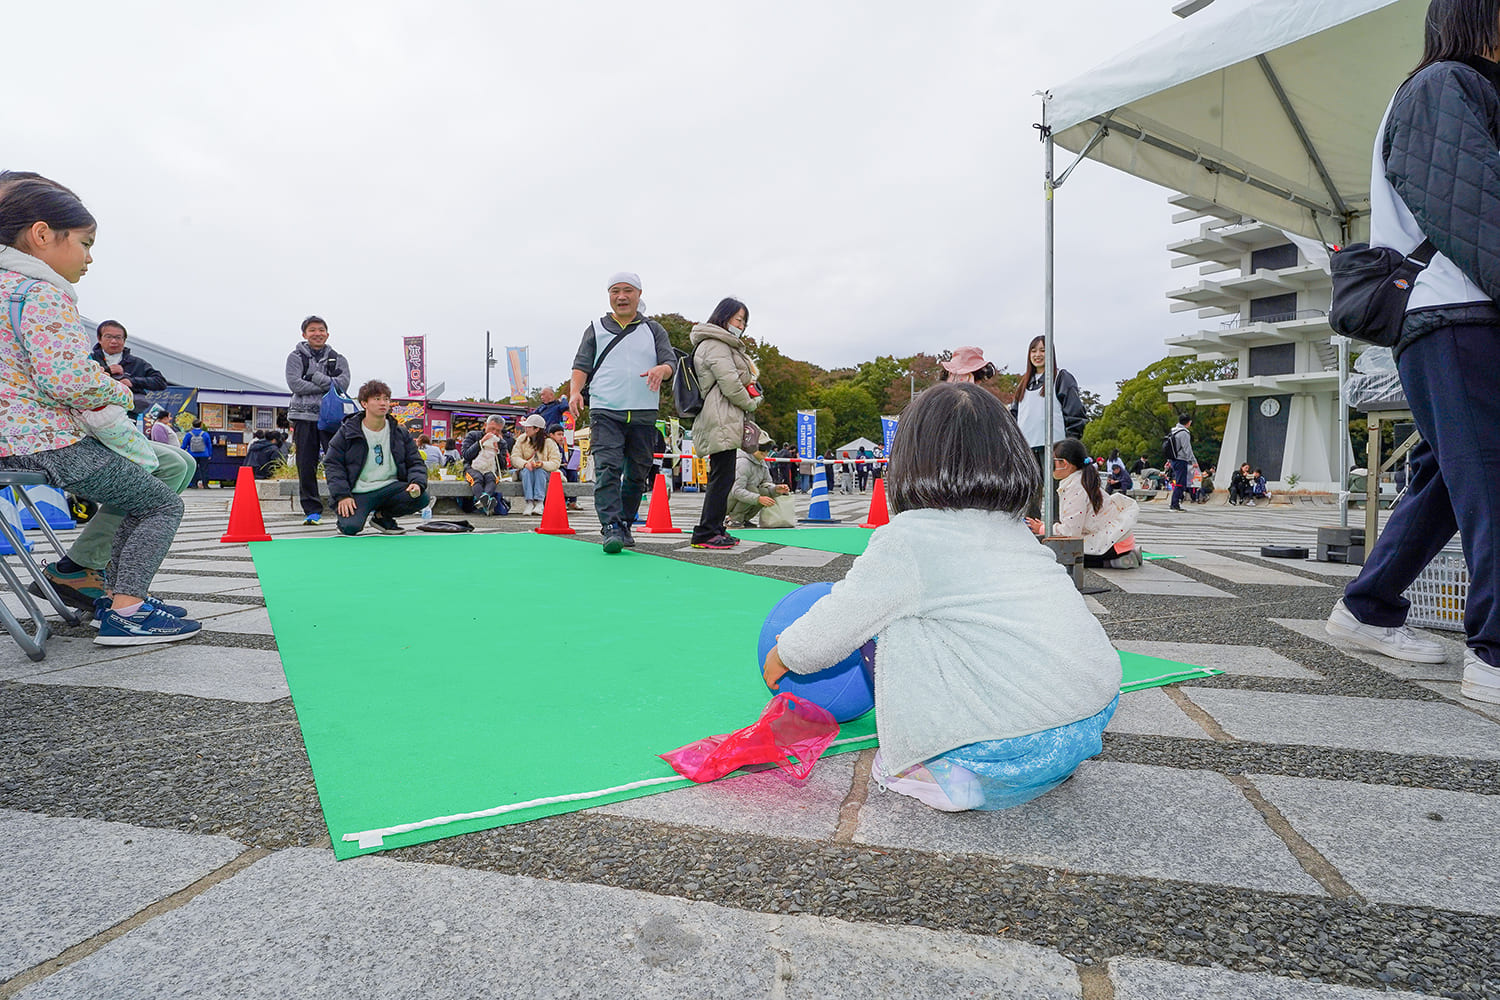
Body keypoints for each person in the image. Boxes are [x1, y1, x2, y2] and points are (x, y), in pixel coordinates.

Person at [762, 382, 1120, 812]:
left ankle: (948, 777)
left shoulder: (908, 540)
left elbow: (838, 622)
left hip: (1005, 743)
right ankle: (1043, 767)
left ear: (909, 462)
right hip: (1090, 715)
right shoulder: (1015, 530)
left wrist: (786, 654)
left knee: (891, 623)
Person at [1324, 0, 1500, 702]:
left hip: (1456, 314)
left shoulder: (1455, 87)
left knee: (1448, 478)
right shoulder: (1442, 86)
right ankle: (1494, 656)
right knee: (1487, 478)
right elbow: (1478, 216)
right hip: (1459, 312)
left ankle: (1368, 606)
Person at [0, 173, 200, 644]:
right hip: (47, 441)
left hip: (16, 440)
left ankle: (101, 585)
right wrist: (121, 393)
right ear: (43, 235)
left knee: (159, 474)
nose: (89, 258)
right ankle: (127, 610)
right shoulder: (40, 293)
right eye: (85, 243)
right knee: (160, 505)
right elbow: (66, 378)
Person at [567, 272, 676, 554]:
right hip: (605, 411)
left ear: (639, 295)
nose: (622, 296)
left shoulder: (654, 330)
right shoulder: (595, 328)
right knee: (607, 470)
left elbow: (669, 362)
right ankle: (611, 527)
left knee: (638, 473)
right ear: (609, 296)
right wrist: (575, 392)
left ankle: (625, 522)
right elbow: (581, 366)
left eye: (628, 291)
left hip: (643, 413)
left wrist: (661, 371)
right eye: (615, 291)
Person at [687, 297, 760, 549]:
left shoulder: (721, 344)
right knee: (721, 475)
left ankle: (715, 528)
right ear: (723, 316)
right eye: (738, 319)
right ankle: (706, 531)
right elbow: (729, 382)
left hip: (723, 415)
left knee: (724, 474)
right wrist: (751, 402)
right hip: (720, 414)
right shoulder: (715, 344)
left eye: (744, 321)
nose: (741, 325)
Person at [324, 380, 429, 536]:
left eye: (386, 399)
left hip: (390, 486)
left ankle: (382, 517)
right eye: (377, 399)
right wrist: (343, 495)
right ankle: (350, 517)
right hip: (359, 491)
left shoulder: (400, 432)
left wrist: (417, 483)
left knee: (421, 497)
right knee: (350, 527)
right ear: (364, 403)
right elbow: (333, 464)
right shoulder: (347, 432)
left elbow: (415, 462)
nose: (383, 403)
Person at [1027, 438, 1141, 569]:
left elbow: (1071, 532)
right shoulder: (1080, 479)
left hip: (1112, 544)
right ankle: (1127, 555)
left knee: (1055, 555)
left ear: (1064, 463)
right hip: (1119, 540)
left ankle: (1119, 561)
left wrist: (1043, 529)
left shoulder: (1076, 487)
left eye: (1051, 463)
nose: (1048, 467)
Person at [1010, 336, 1088, 516]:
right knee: (1029, 493)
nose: (1038, 355)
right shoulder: (1024, 382)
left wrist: (1070, 444)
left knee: (1056, 493)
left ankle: (1057, 529)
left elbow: (1075, 412)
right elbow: (1014, 416)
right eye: (1034, 350)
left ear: (1051, 353)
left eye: (1043, 350)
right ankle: (1031, 529)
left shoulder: (1061, 378)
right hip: (1027, 447)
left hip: (1054, 447)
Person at [285, 315, 351, 525]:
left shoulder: (337, 358)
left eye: (321, 330)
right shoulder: (295, 357)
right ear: (304, 334)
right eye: (312, 330)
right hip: (303, 418)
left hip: (331, 418)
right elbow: (295, 385)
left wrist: (314, 377)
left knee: (338, 463)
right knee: (306, 464)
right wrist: (327, 383)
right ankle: (312, 510)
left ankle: (342, 503)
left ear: (327, 333)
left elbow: (343, 385)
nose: (317, 333)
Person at [89, 319, 166, 416]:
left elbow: (160, 382)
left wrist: (132, 381)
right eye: (108, 337)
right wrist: (107, 371)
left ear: (124, 340)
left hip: (126, 419)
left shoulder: (137, 363)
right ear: (99, 339)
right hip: (92, 416)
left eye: (118, 337)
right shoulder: (89, 360)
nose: (113, 341)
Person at [728, 430, 790, 527]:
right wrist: (758, 498)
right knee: (753, 490)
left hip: (738, 498)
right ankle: (734, 519)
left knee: (766, 493)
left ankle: (744, 518)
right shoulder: (743, 463)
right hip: (726, 501)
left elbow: (767, 483)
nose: (765, 452)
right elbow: (737, 491)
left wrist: (776, 489)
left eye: (768, 448)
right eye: (762, 448)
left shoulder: (762, 463)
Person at [510, 413, 562, 515]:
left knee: (539, 471)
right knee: (527, 471)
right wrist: (525, 464)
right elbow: (515, 457)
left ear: (537, 429)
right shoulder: (521, 439)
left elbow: (556, 462)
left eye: (528, 427)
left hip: (544, 472)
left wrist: (542, 464)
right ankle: (529, 502)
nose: (526, 429)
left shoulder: (549, 442)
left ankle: (539, 502)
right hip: (526, 470)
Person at [461, 415, 507, 515]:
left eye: (498, 431)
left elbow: (503, 465)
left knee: (491, 478)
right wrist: (480, 442)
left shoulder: (501, 442)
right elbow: (466, 455)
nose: (494, 432)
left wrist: (497, 451)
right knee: (477, 478)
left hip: (491, 469)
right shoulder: (473, 435)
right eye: (492, 429)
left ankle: (484, 499)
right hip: (471, 468)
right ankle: (486, 503)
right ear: (485, 425)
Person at [1164, 415, 1196, 512]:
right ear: (1188, 422)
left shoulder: (1174, 431)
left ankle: (1175, 502)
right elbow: (1187, 449)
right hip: (1181, 460)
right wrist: (1193, 461)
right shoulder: (1184, 433)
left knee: (1179, 481)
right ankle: (1175, 504)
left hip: (1174, 459)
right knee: (1180, 482)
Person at [552, 423, 582, 510]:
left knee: (573, 473)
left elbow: (564, 460)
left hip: (562, 466)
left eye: (562, 434)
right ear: (552, 435)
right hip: (554, 467)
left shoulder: (561, 447)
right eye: (558, 434)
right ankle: (563, 500)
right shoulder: (550, 445)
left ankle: (572, 500)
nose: (561, 437)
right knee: (562, 474)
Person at [181, 419, 213, 488]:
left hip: (192, 454)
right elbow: (209, 445)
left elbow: (184, 445)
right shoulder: (205, 434)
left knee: (193, 469)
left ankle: (194, 484)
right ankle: (205, 484)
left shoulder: (189, 434)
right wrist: (209, 454)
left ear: (192, 425)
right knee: (204, 469)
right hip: (204, 454)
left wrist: (181, 452)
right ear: (201, 425)